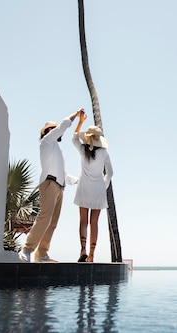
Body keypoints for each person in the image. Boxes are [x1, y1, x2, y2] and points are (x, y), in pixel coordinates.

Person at [18, 108, 84, 263]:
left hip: (59, 187)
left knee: (52, 222)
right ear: (46, 132)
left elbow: (65, 175)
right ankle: (27, 249)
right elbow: (63, 126)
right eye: (52, 129)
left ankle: (42, 254)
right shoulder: (46, 142)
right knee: (45, 218)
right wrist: (75, 115)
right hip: (49, 184)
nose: (55, 130)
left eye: (55, 129)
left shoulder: (57, 150)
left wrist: (79, 181)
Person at [72, 113, 114, 262]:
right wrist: (104, 184)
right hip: (98, 189)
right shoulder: (104, 152)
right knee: (94, 222)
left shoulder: (83, 150)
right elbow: (110, 173)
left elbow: (74, 137)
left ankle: (82, 250)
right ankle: (91, 255)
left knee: (83, 221)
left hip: (84, 187)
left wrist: (80, 122)